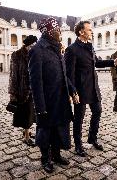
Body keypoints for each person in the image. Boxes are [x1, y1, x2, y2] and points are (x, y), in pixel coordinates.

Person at [64, 20, 117, 157]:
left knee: (98, 111)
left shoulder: (90, 46)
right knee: (79, 118)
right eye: (89, 30)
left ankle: (92, 138)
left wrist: (113, 62)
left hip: (93, 87)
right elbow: (68, 74)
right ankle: (78, 145)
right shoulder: (71, 49)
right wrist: (73, 92)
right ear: (81, 32)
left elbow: (96, 62)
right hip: (80, 89)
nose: (92, 32)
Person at [29, 17, 79, 173]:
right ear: (49, 32)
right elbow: (35, 82)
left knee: (59, 129)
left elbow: (64, 74)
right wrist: (40, 107)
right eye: (57, 31)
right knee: (45, 131)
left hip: (61, 99)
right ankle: (45, 159)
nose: (60, 33)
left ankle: (56, 155)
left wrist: (72, 89)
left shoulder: (58, 48)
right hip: (47, 100)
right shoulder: (37, 50)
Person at [8, 35, 37, 146]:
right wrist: (13, 93)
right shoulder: (17, 55)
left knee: (31, 114)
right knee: (25, 114)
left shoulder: (34, 54)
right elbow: (13, 75)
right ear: (28, 45)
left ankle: (28, 132)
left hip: (33, 89)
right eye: (33, 45)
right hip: (22, 90)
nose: (34, 47)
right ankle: (26, 137)